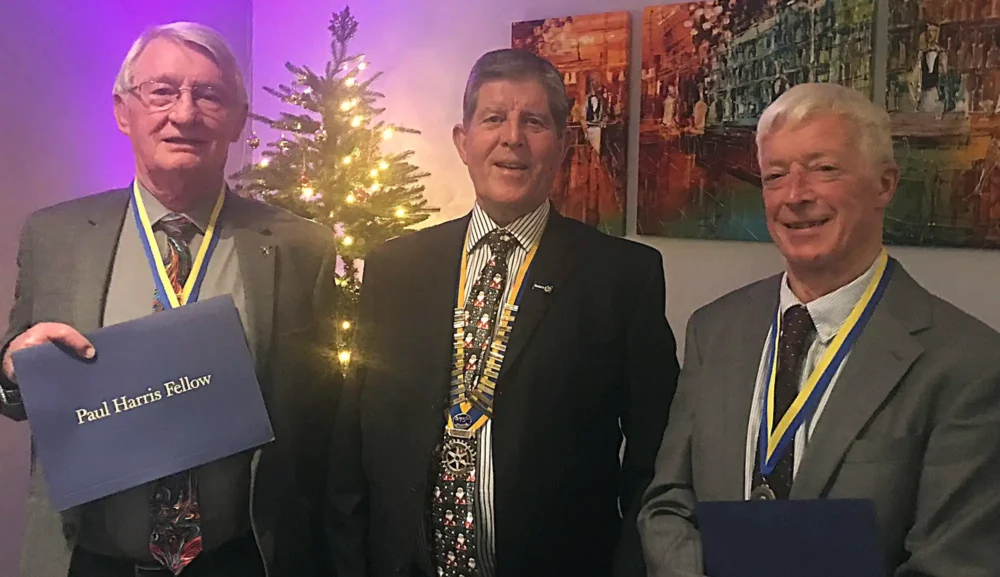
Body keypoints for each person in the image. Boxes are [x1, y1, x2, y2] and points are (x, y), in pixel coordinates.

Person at [0, 22, 340, 577]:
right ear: (122, 110)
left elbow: (321, 422)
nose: (184, 114)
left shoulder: (302, 246)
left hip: (240, 561)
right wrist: (13, 369)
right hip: (93, 561)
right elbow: (12, 381)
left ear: (236, 118)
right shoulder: (55, 237)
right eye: (162, 91)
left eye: (210, 95)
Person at [326, 48, 680, 577]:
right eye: (493, 119)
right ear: (462, 141)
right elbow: (354, 443)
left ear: (562, 144)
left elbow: (657, 454)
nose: (512, 137)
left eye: (533, 121)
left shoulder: (621, 277)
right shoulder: (396, 268)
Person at [638, 83, 1000, 576]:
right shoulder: (713, 331)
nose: (795, 196)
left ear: (885, 184)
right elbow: (668, 504)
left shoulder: (968, 364)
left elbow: (953, 563)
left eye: (824, 169)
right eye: (775, 175)